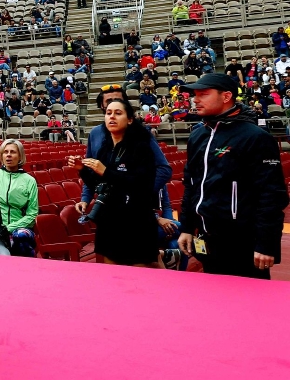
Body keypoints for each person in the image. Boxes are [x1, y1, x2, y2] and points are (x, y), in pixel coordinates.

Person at [177, 74, 289, 279]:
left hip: (244, 243)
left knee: (250, 298)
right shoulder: (197, 136)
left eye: (203, 94)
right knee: (213, 296)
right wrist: (187, 227)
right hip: (206, 239)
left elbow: (272, 195)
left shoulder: (255, 137)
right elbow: (191, 185)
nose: (195, 100)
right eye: (194, 95)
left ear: (226, 96)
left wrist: (266, 243)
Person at [69, 98, 159, 267]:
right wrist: (82, 170)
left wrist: (106, 172)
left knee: (139, 277)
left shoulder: (141, 148)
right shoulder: (104, 149)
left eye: (118, 113)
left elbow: (141, 185)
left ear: (130, 119)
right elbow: (99, 186)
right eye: (108, 113)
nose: (112, 117)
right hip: (109, 222)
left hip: (136, 222)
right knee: (114, 277)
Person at [0, 140, 39, 257]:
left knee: (21, 236)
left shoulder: (29, 180)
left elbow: (32, 214)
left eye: (13, 152)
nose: (8, 155)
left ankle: (27, 265)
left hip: (20, 227)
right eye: (5, 152)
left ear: (20, 156)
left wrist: (9, 228)